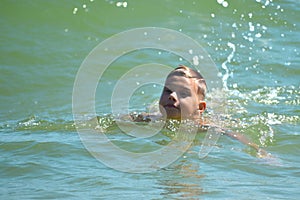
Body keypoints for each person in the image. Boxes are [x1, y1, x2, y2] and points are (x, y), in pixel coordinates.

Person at [131, 65, 268, 156]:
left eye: (183, 93)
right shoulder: (152, 118)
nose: (172, 96)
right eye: (168, 91)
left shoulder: (203, 127)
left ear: (200, 107)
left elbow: (234, 135)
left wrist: (261, 153)